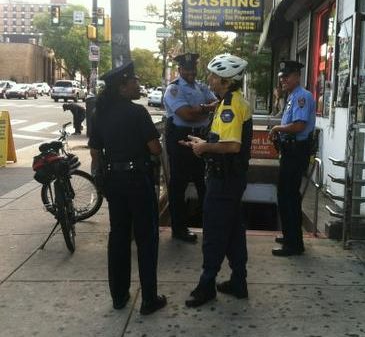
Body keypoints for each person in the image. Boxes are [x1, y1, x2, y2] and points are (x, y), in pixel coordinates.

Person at [88, 61, 166, 315]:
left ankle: (119, 296)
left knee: (119, 237)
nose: (138, 84)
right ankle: (149, 299)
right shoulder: (137, 113)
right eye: (133, 80)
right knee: (146, 239)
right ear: (122, 87)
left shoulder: (100, 113)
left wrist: (101, 179)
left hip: (114, 181)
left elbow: (96, 152)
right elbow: (155, 148)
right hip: (138, 181)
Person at [181, 54, 252, 308]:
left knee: (213, 233)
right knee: (233, 231)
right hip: (230, 179)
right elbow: (222, 141)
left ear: (224, 80)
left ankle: (206, 284)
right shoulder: (229, 101)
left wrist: (204, 149)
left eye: (212, 75)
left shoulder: (231, 105)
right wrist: (203, 144)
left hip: (224, 181)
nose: (209, 79)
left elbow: (232, 146)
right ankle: (238, 281)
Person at [163, 52, 217, 243]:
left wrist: (200, 110)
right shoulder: (174, 90)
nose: (190, 73)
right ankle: (179, 229)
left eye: (192, 69)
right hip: (180, 138)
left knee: (205, 182)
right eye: (186, 69)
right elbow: (186, 115)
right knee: (179, 185)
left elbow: (216, 104)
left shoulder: (201, 86)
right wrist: (205, 109)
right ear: (179, 70)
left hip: (201, 136)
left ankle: (210, 226)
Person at [269, 60, 316, 257]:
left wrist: (277, 128)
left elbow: (298, 126)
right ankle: (290, 235)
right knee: (285, 195)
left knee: (288, 197)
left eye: (287, 76)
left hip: (297, 152)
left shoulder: (301, 97)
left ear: (297, 76)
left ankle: (294, 244)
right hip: (290, 151)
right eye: (281, 77)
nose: (283, 80)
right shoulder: (291, 97)